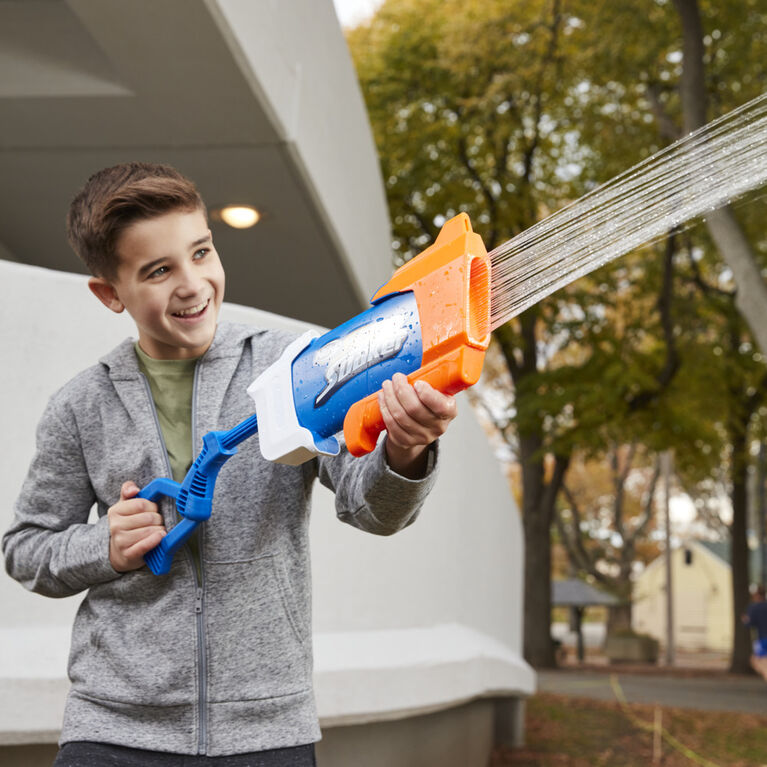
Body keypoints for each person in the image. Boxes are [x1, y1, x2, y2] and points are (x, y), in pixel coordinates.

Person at [2, 162, 457, 766]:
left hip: (268, 730)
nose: (192, 284)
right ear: (110, 293)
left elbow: (370, 509)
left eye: (201, 253)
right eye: (159, 270)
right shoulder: (80, 406)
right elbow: (25, 549)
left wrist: (404, 451)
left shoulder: (294, 367)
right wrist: (102, 547)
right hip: (113, 731)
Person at [744, 584, 767, 680]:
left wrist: (745, 620)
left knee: (757, 661)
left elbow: (749, 623)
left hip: (762, 638)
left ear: (756, 595)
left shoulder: (753, 607)